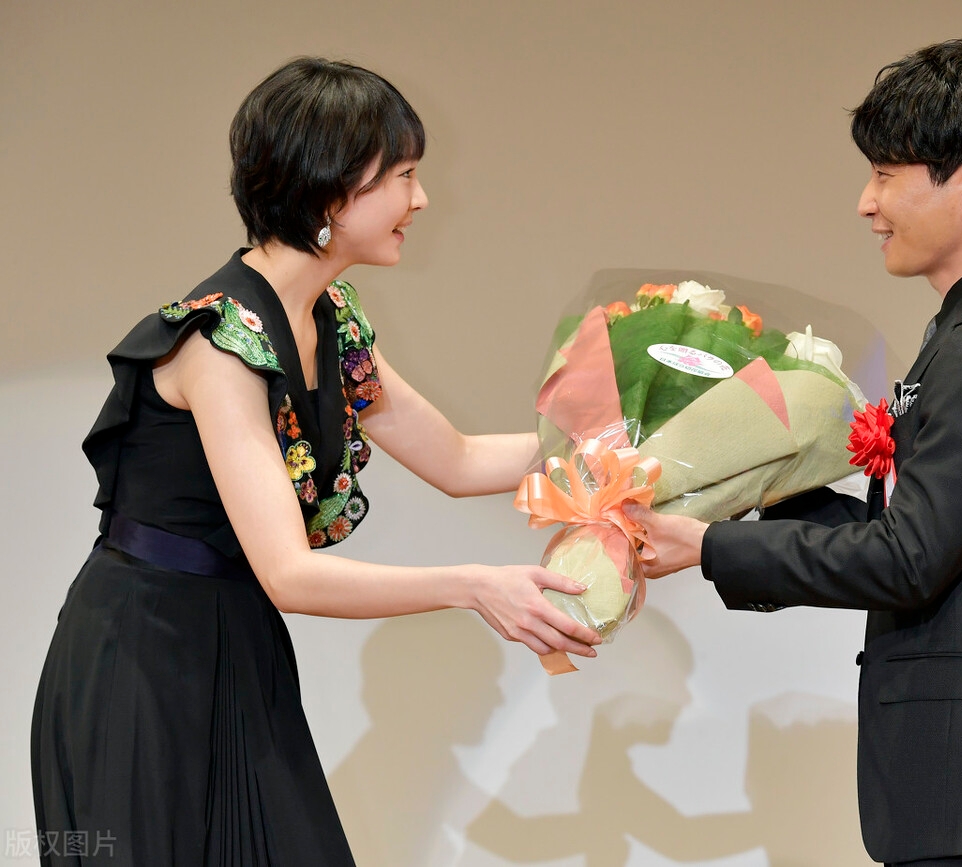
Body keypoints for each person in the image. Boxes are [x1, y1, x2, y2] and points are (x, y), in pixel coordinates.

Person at [30, 57, 600, 866]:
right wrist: (475, 585)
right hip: (140, 661)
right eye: (404, 175)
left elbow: (459, 458)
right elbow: (290, 575)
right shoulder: (221, 341)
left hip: (236, 641)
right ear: (332, 190)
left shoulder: (330, 317)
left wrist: (614, 443)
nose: (420, 199)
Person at [633, 39, 962, 866]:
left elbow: (907, 561)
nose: (865, 203)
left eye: (885, 174)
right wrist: (750, 477)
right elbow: (918, 541)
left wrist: (708, 546)